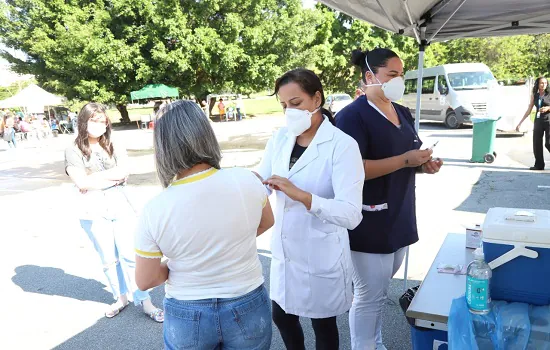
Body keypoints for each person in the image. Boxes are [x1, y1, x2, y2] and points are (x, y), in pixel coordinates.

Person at [134, 100, 274, 350]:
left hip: (187, 309)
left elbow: (145, 280)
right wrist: (229, 247)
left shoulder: (154, 209)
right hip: (248, 300)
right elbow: (267, 222)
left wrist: (183, 263)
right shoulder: (247, 180)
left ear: (163, 146)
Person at [336, 48, 444, 350]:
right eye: (392, 75)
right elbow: (352, 170)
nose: (399, 80)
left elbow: (410, 155)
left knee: (379, 292)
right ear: (370, 77)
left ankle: (376, 342)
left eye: (401, 74)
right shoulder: (352, 117)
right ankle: (364, 346)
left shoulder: (402, 112)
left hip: (399, 214)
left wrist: (423, 165)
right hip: (369, 219)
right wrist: (406, 160)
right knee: (369, 294)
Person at [256, 68, 365, 350]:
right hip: (286, 251)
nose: (289, 111)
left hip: (321, 253)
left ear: (317, 99)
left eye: (296, 103)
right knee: (281, 315)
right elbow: (263, 182)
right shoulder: (280, 139)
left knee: (323, 324)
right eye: (283, 106)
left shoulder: (342, 146)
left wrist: (304, 197)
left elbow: (351, 214)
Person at [64, 102, 163, 322]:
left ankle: (145, 301)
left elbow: (124, 171)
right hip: (92, 208)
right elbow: (80, 181)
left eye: (102, 121)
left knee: (130, 255)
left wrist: (90, 180)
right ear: (84, 121)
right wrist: (108, 177)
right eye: (94, 120)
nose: (99, 125)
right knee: (108, 258)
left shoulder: (113, 143)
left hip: (120, 202)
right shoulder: (73, 149)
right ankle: (120, 297)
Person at [516, 76, 550, 170]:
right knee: (536, 143)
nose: (544, 85)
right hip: (538, 120)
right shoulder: (535, 95)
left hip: (549, 120)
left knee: (548, 143)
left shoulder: (549, 94)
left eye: (545, 83)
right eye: (541, 83)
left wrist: (548, 108)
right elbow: (529, 109)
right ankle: (539, 165)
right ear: (538, 84)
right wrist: (520, 123)